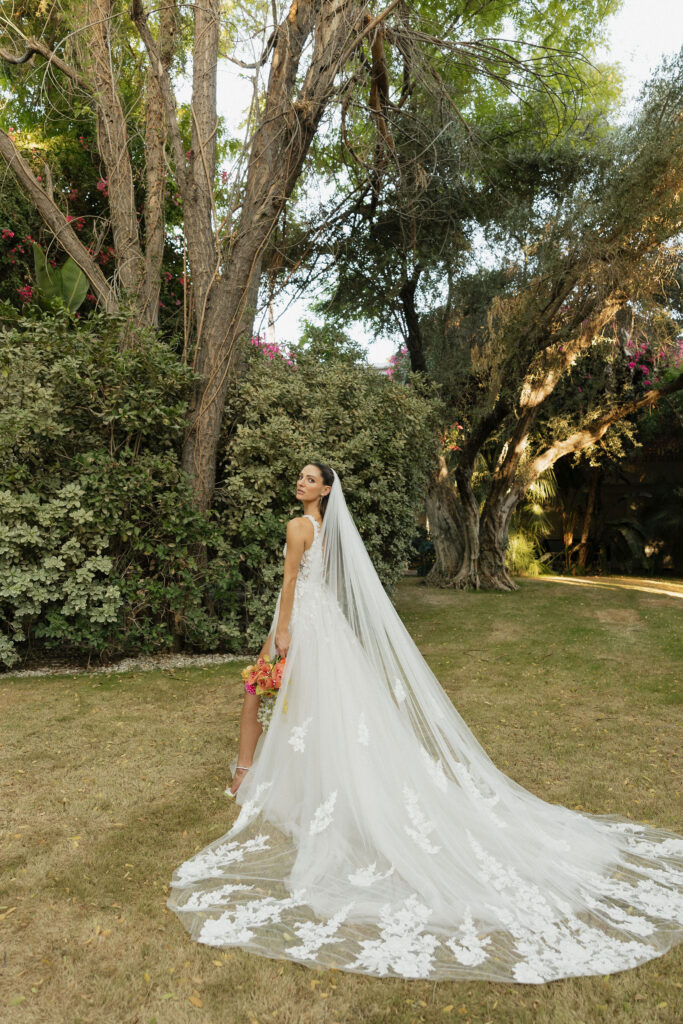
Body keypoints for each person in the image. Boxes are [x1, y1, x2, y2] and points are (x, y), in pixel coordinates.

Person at [167, 463, 683, 982]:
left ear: (325, 490)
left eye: (309, 479)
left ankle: (246, 773)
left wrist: (282, 633)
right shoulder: (324, 529)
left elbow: (289, 581)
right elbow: (320, 582)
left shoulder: (299, 526)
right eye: (300, 477)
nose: (300, 483)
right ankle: (259, 774)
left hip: (302, 624)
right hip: (325, 624)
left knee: (262, 692)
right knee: (301, 703)